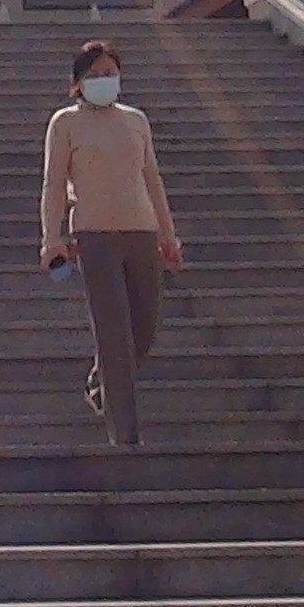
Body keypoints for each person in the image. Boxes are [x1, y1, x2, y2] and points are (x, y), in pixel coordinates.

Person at [39, 39, 183, 446]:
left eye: (111, 74)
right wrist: (52, 239)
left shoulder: (135, 120)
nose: (105, 81)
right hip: (94, 236)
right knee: (113, 334)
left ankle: (100, 382)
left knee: (145, 329)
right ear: (78, 83)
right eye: (96, 75)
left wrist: (168, 235)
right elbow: (53, 185)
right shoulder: (65, 123)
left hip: (141, 230)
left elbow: (152, 179)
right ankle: (126, 436)